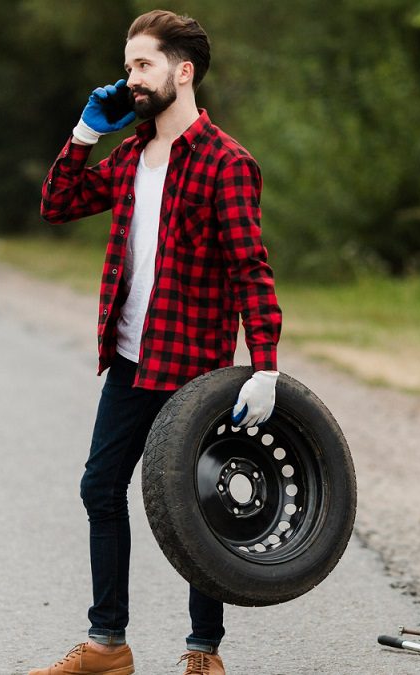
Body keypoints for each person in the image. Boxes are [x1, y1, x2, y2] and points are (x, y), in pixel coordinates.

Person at [32, 9, 282, 675]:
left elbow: (251, 268)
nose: (130, 79)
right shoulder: (133, 154)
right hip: (130, 361)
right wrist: (86, 130)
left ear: (184, 70)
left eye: (142, 65)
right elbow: (57, 203)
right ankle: (107, 644)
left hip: (195, 369)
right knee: (99, 487)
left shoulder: (227, 164)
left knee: (197, 503)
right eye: (127, 66)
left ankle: (204, 653)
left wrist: (265, 367)